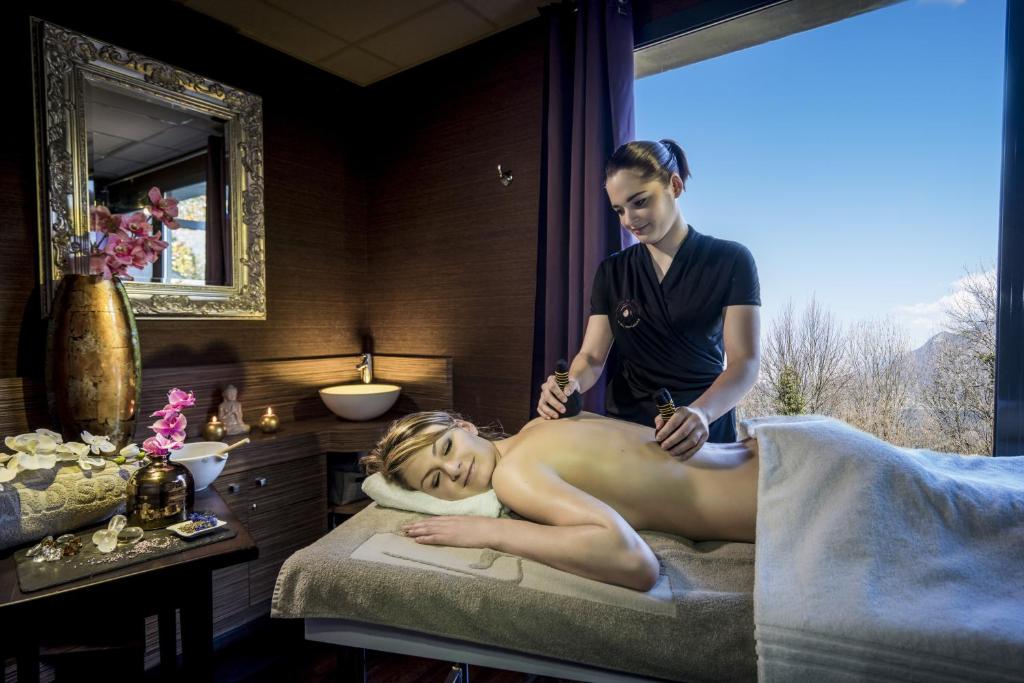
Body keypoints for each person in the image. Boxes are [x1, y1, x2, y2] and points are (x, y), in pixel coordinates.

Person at [361, 409, 759, 591]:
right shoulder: (539, 425)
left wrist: (489, 531)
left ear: (464, 426)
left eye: (447, 448)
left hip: (772, 492)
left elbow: (636, 564)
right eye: (435, 481)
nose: (453, 470)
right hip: (764, 448)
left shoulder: (512, 475)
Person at [538, 140, 761, 461]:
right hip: (628, 435)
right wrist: (570, 383)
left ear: (675, 185)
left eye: (639, 202)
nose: (629, 220)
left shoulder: (731, 260)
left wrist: (701, 413)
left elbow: (745, 363)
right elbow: (592, 357)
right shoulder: (612, 272)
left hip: (703, 432)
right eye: (619, 210)